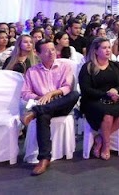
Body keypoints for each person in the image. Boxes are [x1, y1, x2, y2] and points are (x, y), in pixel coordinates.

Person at [20, 40, 81, 175]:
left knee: (74, 94)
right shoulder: (32, 71)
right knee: (44, 115)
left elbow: (67, 87)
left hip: (62, 103)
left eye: (53, 49)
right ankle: (44, 159)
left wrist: (51, 93)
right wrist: (40, 98)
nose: (51, 53)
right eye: (47, 51)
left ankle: (35, 112)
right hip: (44, 105)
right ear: (38, 53)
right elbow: (25, 93)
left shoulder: (64, 66)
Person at [78, 37, 119, 160]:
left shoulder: (116, 66)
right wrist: (106, 94)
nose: (108, 50)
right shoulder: (88, 67)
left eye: (109, 47)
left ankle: (100, 138)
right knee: (107, 114)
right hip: (92, 100)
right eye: (104, 48)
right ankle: (106, 146)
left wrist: (116, 91)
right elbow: (86, 89)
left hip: (113, 98)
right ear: (96, 51)